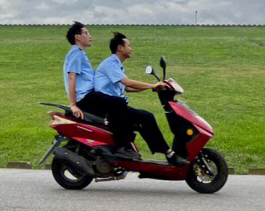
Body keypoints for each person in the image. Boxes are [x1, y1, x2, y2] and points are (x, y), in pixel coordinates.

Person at [94, 32, 188, 166]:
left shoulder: (116, 64)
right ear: (120, 48)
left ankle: (157, 152)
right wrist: (152, 85)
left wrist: (152, 88)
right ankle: (169, 154)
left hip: (116, 107)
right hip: (112, 107)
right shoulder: (110, 64)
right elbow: (128, 83)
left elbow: (127, 88)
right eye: (129, 45)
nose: (131, 48)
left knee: (145, 119)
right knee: (147, 117)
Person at [62, 21, 137, 158]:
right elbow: (71, 78)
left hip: (89, 96)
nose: (90, 36)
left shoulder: (80, 54)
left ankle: (120, 143)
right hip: (85, 98)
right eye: (86, 33)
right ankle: (121, 146)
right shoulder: (76, 53)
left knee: (117, 105)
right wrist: (73, 105)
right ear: (77, 37)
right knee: (118, 103)